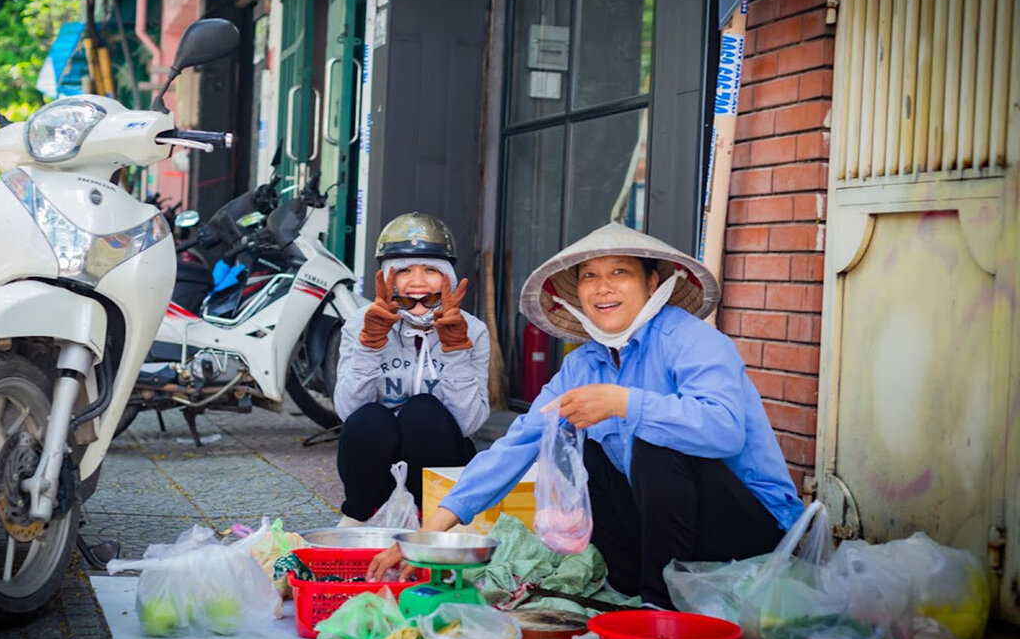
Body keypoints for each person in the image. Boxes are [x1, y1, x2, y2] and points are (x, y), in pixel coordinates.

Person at [368, 222, 804, 608]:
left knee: (654, 442)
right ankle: (631, 584)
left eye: (619, 272)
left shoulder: (691, 340)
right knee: (585, 453)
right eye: (590, 277)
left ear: (653, 284)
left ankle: (658, 608)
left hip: (753, 535)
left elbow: (724, 432)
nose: (602, 287)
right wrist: (429, 533)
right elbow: (519, 443)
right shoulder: (584, 364)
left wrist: (624, 404)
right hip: (670, 533)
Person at [333, 212, 491, 526]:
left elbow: (469, 424)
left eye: (431, 269)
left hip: (440, 466)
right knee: (369, 419)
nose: (417, 282)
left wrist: (456, 352)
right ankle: (358, 521)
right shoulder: (360, 324)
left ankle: (436, 520)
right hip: (377, 469)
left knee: (423, 411)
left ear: (447, 277)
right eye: (403, 270)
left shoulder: (472, 330)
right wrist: (370, 345)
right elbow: (348, 411)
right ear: (386, 277)